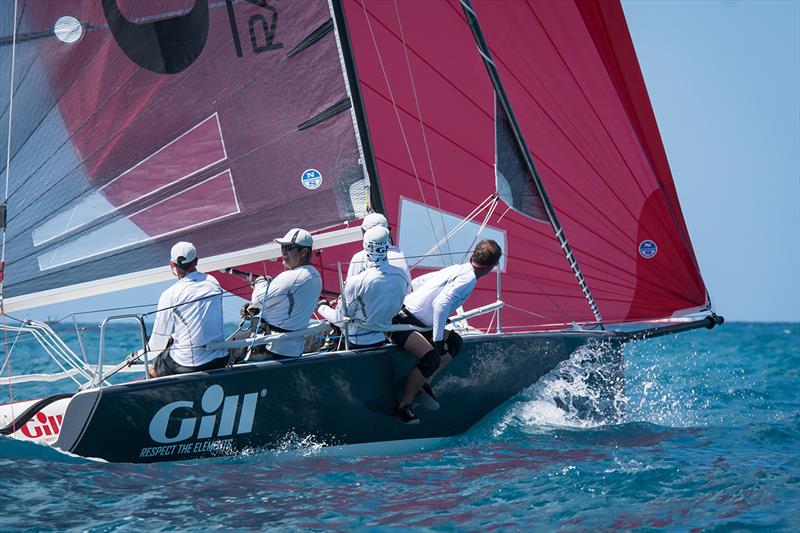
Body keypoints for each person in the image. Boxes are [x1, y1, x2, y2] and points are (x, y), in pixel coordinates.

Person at [390, 239, 503, 423]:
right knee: (432, 358)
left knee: (455, 342)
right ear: (491, 266)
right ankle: (405, 405)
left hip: (415, 321)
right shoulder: (469, 279)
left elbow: (419, 282)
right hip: (404, 323)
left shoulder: (457, 269)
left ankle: (423, 383)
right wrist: (438, 338)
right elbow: (441, 304)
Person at [317, 226, 409, 349]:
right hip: (383, 338)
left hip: (356, 344)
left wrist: (322, 307)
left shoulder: (357, 282)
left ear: (365, 246)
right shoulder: (402, 275)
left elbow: (340, 320)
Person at [148, 241, 228, 377]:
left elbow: (158, 344)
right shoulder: (213, 282)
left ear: (171, 265)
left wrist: (141, 356)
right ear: (196, 261)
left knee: (154, 367)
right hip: (220, 359)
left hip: (188, 364)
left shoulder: (170, 294)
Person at [243, 228, 322, 359]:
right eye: (283, 247)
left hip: (274, 348)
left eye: (289, 247)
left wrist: (260, 282)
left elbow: (256, 300)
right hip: (293, 349)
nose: (284, 252)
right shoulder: (315, 275)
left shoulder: (292, 277)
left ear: (303, 252)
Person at [346, 213, 411, 290]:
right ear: (389, 231)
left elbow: (348, 291)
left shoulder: (358, 258)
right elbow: (408, 289)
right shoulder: (400, 254)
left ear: (363, 232)